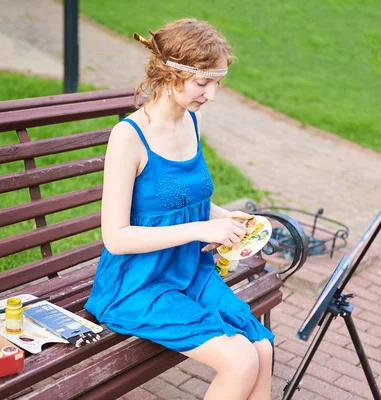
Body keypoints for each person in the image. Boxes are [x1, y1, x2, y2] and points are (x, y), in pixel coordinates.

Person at [84, 19, 273, 400]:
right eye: (203, 83)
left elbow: (182, 201)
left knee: (262, 349)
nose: (213, 94)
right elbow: (115, 238)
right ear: (170, 74)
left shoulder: (193, 121)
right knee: (239, 360)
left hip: (189, 271)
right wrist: (202, 230)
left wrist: (221, 217)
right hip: (138, 284)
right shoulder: (129, 137)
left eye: (217, 82)